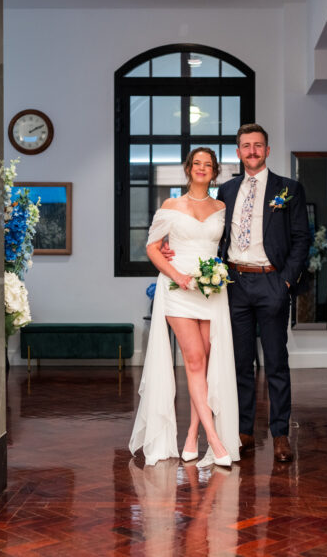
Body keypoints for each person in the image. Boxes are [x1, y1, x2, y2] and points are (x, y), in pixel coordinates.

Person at [163, 124, 311, 463]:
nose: (252, 151)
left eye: (258, 146)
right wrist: (174, 251)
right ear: (238, 152)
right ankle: (243, 431)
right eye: (246, 146)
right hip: (234, 285)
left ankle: (280, 434)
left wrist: (286, 281)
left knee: (275, 362)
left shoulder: (288, 189)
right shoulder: (226, 191)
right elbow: (207, 232)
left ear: (267, 151)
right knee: (240, 363)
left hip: (272, 282)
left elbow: (302, 238)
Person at [129, 147, 240, 468]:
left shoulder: (221, 207)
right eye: (197, 164)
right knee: (193, 360)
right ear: (188, 169)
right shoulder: (171, 205)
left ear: (215, 171)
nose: (202, 168)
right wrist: (178, 275)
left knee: (204, 365)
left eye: (208, 164)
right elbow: (152, 248)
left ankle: (191, 435)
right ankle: (215, 440)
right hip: (178, 288)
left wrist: (215, 275)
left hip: (211, 290)